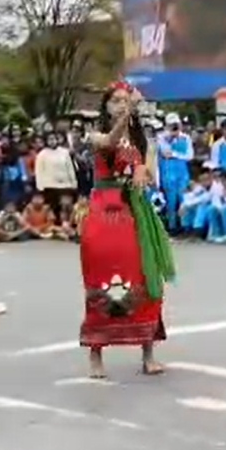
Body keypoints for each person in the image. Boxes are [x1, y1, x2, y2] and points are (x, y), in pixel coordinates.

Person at [79, 81, 178, 380]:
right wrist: (128, 113)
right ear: (105, 106)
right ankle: (96, 352)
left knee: (144, 276)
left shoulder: (139, 141)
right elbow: (110, 140)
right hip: (104, 213)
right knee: (102, 279)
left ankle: (148, 353)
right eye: (116, 101)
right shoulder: (94, 134)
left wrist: (143, 170)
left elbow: (147, 174)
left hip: (134, 213)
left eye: (126, 100)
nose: (121, 105)